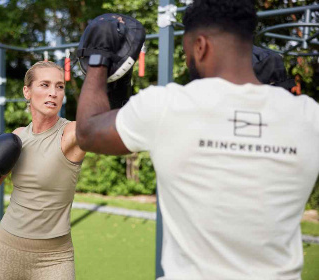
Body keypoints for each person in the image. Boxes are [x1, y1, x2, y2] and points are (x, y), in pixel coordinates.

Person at [75, 1, 319, 279]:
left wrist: (99, 59)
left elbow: (87, 132)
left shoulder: (168, 105)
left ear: (200, 46)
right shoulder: (309, 116)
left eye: (186, 50)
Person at [0, 61, 85, 280]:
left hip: (54, 258)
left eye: (59, 87)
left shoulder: (71, 133)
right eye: (44, 85)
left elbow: (101, 125)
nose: (53, 93)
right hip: (6, 249)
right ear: (27, 91)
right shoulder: (16, 137)